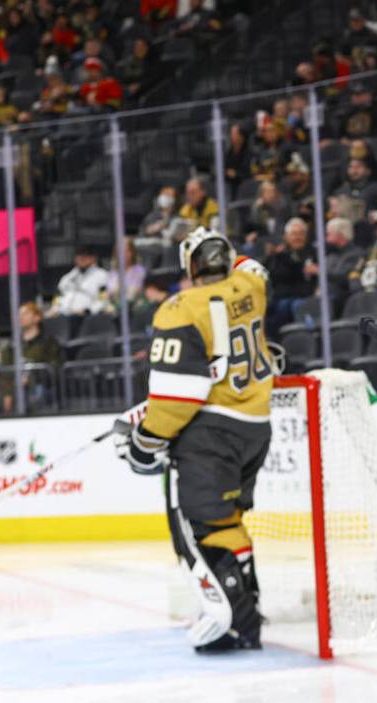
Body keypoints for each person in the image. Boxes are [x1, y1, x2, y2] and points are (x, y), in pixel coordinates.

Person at [116, 227, 274, 653]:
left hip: (211, 436)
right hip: (255, 426)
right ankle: (249, 609)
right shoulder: (251, 285)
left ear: (189, 266)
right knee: (228, 521)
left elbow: (177, 398)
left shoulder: (180, 308)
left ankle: (231, 622)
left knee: (201, 528)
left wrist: (143, 442)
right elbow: (252, 267)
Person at [2, 302, 63, 414]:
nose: (21, 317)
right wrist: (7, 393)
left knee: (37, 393)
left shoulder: (48, 342)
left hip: (40, 385)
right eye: (19, 314)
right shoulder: (12, 345)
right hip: (15, 388)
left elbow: (54, 366)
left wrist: (31, 379)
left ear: (37, 318)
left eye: (25, 313)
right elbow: (5, 371)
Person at [52, 246, 111, 316]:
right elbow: (58, 297)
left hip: (89, 316)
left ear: (93, 258)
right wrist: (55, 309)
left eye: (85, 255)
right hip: (64, 316)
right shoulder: (67, 278)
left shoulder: (102, 275)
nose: (81, 258)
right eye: (79, 255)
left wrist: (88, 311)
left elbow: (103, 299)